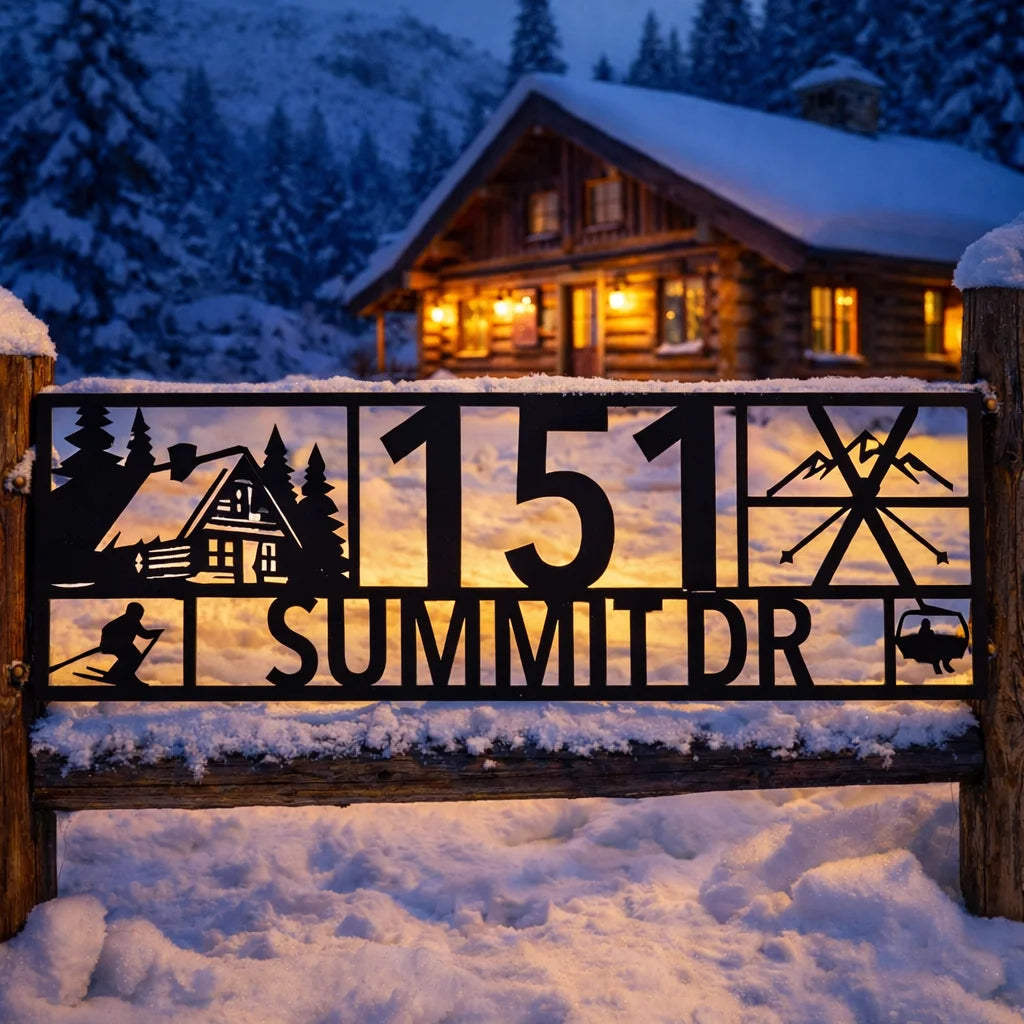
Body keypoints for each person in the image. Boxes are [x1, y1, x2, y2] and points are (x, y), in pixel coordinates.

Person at [98, 602, 161, 686]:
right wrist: (158, 632)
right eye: (140, 613)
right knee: (134, 656)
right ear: (133, 612)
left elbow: (145, 634)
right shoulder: (131, 620)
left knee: (128, 657)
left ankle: (118, 674)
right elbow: (145, 634)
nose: (141, 616)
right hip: (114, 644)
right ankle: (120, 675)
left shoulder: (131, 620)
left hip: (118, 644)